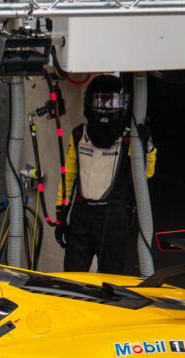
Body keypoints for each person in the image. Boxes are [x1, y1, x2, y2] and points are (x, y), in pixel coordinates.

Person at [54, 74, 157, 274]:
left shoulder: (130, 138)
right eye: (100, 100)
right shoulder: (78, 136)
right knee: (72, 279)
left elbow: (146, 175)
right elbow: (68, 178)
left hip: (113, 218)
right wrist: (61, 215)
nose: (105, 107)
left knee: (110, 282)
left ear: (123, 104)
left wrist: (147, 147)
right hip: (81, 216)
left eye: (111, 102)